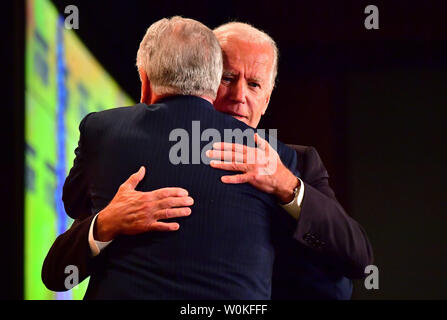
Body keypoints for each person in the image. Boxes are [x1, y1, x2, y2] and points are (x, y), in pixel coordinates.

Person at [42, 21, 373, 300]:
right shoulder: (130, 150)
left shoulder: (294, 162)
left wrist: (285, 185)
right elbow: (59, 270)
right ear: (204, 76)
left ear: (267, 99)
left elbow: (353, 259)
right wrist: (105, 223)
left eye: (254, 84)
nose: (239, 95)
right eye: (228, 78)